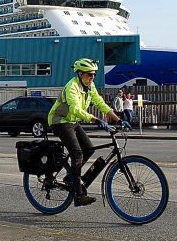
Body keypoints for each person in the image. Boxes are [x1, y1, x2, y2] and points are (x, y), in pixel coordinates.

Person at [48, 58, 131, 207]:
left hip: (73, 121)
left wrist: (118, 120)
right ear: (80, 74)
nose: (92, 77)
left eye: (93, 74)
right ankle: (79, 195)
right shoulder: (72, 87)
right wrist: (96, 120)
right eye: (88, 74)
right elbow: (75, 110)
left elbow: (100, 103)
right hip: (60, 121)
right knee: (77, 153)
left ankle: (70, 178)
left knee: (89, 149)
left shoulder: (90, 86)